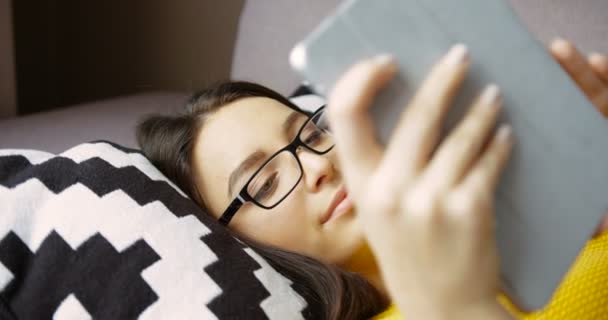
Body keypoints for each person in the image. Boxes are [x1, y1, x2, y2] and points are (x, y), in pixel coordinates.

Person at [136, 38, 608, 320]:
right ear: (233, 245)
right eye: (263, 184)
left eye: (310, 133)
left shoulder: (521, 230)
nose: (319, 167)